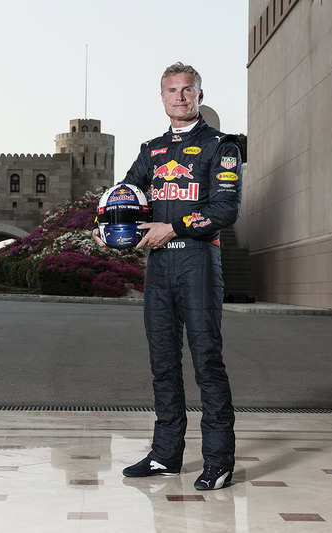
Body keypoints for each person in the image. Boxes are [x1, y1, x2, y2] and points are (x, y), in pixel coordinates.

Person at [93, 62, 243, 490]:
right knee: (163, 365)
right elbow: (125, 196)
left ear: (199, 95)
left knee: (207, 364)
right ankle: (166, 455)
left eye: (187, 89)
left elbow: (225, 210)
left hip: (198, 263)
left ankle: (218, 460)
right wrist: (109, 230)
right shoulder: (152, 151)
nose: (180, 96)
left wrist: (173, 227)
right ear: (162, 98)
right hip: (159, 270)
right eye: (172, 90)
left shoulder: (221, 146)